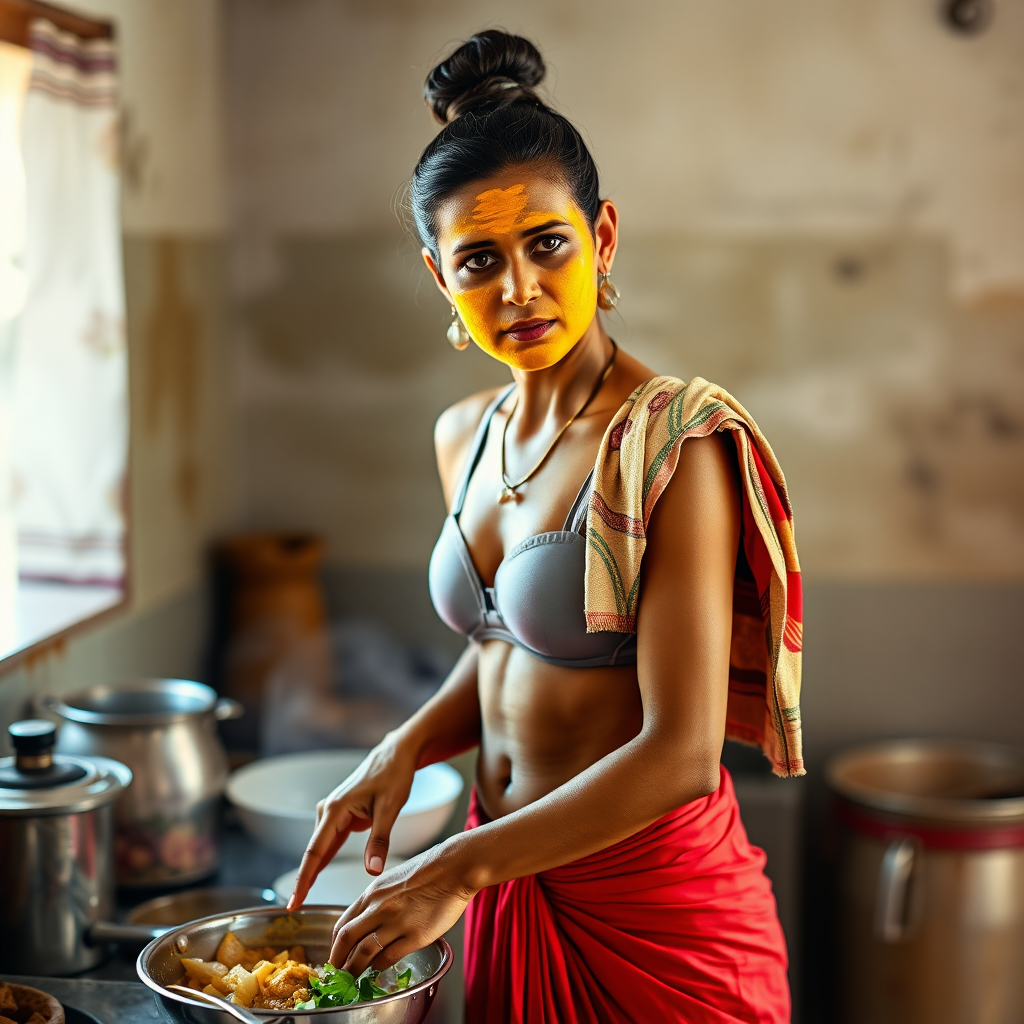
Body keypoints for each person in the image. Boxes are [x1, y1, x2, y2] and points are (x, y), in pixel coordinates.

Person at [289, 29, 804, 1024]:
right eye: (479, 260)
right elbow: (502, 650)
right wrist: (406, 743)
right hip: (511, 878)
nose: (517, 289)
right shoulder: (462, 436)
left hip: (651, 913)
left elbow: (682, 752)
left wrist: (453, 869)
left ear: (602, 237)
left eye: (546, 244)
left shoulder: (670, 444)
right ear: (440, 277)